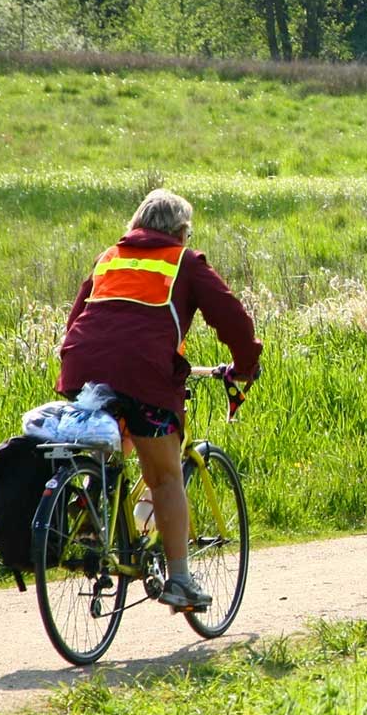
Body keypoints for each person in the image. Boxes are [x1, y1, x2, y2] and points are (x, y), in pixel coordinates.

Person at [56, 189, 261, 612]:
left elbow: (77, 319)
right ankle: (180, 581)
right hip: (145, 374)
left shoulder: (109, 258)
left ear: (137, 225)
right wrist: (245, 364)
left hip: (83, 366)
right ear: (181, 231)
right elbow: (231, 316)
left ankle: (93, 504)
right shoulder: (184, 261)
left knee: (113, 441)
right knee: (165, 477)